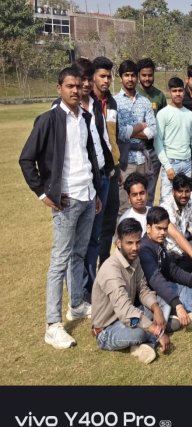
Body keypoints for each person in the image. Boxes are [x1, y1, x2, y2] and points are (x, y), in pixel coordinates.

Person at [20, 66, 103, 349]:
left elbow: (89, 157)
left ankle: (77, 305)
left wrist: (95, 191)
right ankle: (52, 325)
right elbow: (26, 159)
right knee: (59, 261)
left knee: (79, 254)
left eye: (79, 85)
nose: (75, 90)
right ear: (59, 88)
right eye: (70, 86)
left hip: (87, 196)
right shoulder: (49, 120)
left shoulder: (85, 118)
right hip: (65, 202)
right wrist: (43, 193)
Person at [91, 218, 170, 364]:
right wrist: (156, 331)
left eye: (138, 242)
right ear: (118, 243)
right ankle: (153, 338)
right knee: (140, 332)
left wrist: (156, 308)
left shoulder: (134, 258)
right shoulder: (111, 270)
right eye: (129, 243)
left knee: (161, 301)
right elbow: (125, 311)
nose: (135, 248)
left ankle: (152, 335)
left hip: (130, 315)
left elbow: (143, 290)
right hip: (108, 329)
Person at [71, 58, 114, 298]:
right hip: (82, 182)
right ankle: (80, 292)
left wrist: (110, 167)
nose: (86, 84)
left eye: (89, 79)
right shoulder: (66, 109)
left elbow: (103, 138)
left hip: (101, 178)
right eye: (83, 79)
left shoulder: (96, 105)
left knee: (95, 236)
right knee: (81, 241)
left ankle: (92, 286)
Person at [139, 207, 192, 333]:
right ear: (148, 228)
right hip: (149, 295)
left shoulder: (158, 243)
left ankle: (184, 314)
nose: (163, 233)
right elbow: (156, 281)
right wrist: (177, 304)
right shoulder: (145, 249)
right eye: (158, 228)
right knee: (166, 300)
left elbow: (172, 270)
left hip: (161, 288)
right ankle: (171, 320)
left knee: (187, 287)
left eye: (165, 229)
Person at [114, 59, 157, 216]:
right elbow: (119, 132)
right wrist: (140, 126)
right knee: (124, 205)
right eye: (126, 75)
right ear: (120, 78)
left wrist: (130, 131)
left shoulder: (144, 102)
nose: (130, 79)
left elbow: (153, 130)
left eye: (133, 75)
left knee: (144, 202)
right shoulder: (114, 102)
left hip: (143, 160)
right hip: (125, 161)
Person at [92, 56, 122, 266]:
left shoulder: (112, 103)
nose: (106, 80)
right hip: (95, 171)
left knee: (110, 219)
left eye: (109, 77)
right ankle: (89, 270)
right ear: (92, 77)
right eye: (102, 76)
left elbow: (114, 135)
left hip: (113, 168)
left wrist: (117, 165)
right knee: (94, 221)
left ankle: (104, 263)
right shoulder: (87, 102)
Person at [154, 77, 192, 203]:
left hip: (187, 163)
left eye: (180, 90)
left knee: (185, 199)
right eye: (174, 91)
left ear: (184, 91)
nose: (178, 94)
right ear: (169, 92)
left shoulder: (189, 114)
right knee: (167, 200)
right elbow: (158, 142)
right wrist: (167, 166)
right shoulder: (163, 114)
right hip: (171, 162)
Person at [136, 58, 167, 205]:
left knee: (149, 191)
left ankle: (147, 217)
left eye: (150, 75)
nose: (147, 78)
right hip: (134, 150)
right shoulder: (134, 93)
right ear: (138, 75)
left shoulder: (159, 96)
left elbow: (164, 124)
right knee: (135, 190)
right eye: (144, 75)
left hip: (153, 150)